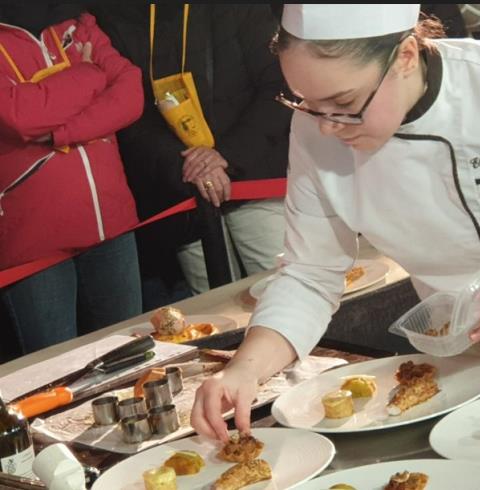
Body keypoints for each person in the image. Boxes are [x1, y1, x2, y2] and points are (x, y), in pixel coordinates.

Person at [191, 4, 480, 442]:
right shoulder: (314, 133)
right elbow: (310, 273)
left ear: (406, 55)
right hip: (467, 373)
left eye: (344, 103)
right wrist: (246, 368)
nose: (327, 126)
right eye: (308, 104)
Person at [93, 4, 291, 296]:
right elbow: (131, 119)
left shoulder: (242, 8)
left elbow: (280, 87)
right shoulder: (114, 16)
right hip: (184, 192)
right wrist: (188, 167)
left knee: (287, 295)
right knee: (218, 315)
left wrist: (226, 156)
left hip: (255, 180)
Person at [0, 4, 143, 356]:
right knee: (56, 371)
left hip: (110, 220)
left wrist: (58, 133)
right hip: (34, 237)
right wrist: (90, 73)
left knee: (132, 355)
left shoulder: (78, 25)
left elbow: (130, 95)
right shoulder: (80, 42)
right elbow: (21, 116)